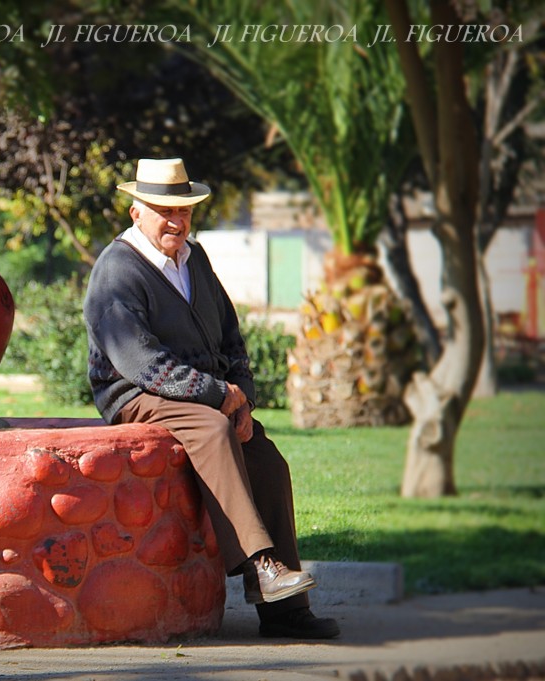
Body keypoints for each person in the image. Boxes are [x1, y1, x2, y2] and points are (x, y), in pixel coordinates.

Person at [82, 158, 339, 639]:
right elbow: (141, 363)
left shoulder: (194, 258)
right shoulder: (116, 270)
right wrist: (219, 396)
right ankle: (260, 565)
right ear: (136, 212)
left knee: (268, 461)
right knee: (211, 427)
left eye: (184, 211)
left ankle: (286, 612)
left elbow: (230, 336)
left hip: (203, 395)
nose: (176, 221)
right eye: (164, 211)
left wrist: (243, 399)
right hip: (135, 393)